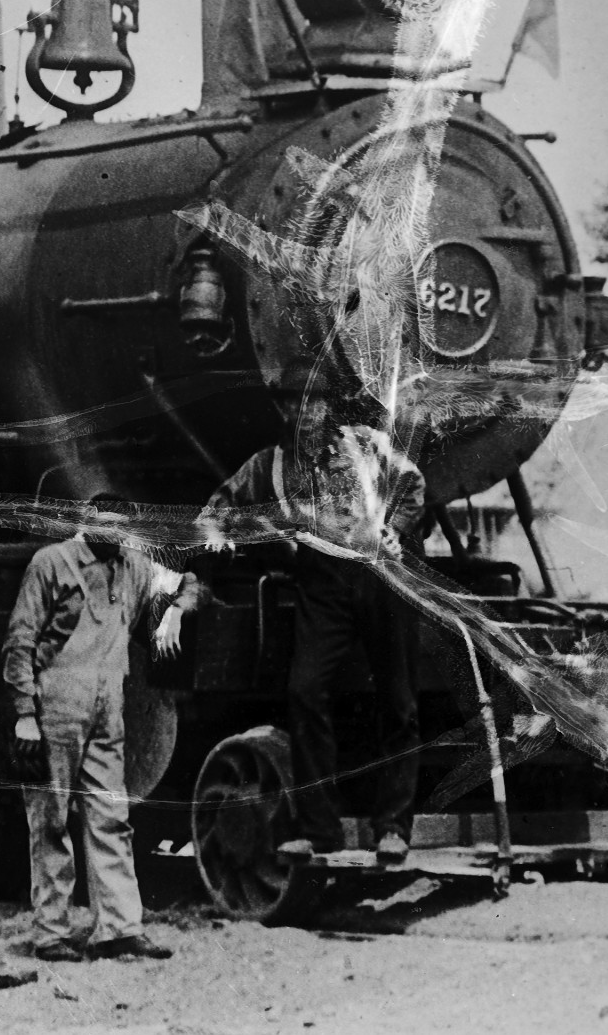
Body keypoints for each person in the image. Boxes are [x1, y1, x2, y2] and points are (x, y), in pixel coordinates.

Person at [200, 358, 426, 866]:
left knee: (399, 702)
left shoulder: (367, 444)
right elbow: (218, 509)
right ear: (280, 409)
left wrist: (396, 529)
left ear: (328, 406)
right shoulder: (269, 465)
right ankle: (321, 831)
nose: (301, 414)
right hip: (323, 583)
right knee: (304, 691)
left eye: (312, 403)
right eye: (290, 405)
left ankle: (393, 828)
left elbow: (412, 486)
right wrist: (218, 539)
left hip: (384, 578)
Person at [2, 510, 204, 962]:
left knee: (111, 816)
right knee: (50, 821)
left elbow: (188, 583)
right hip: (56, 706)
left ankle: (118, 928)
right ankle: (51, 933)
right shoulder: (51, 563)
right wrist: (25, 716)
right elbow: (19, 641)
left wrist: (175, 610)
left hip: (108, 708)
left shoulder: (135, 567)